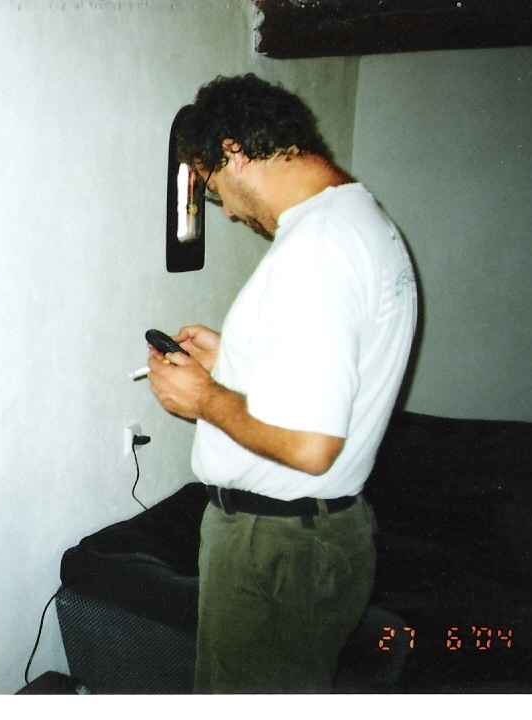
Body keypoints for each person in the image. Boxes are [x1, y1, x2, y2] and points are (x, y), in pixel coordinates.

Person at [146, 73, 418, 693]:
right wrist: (235, 358)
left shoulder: (314, 251)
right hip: (310, 536)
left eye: (215, 189)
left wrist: (204, 399)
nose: (230, 212)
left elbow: (310, 446)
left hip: (275, 551)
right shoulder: (358, 219)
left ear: (234, 152)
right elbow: (333, 374)